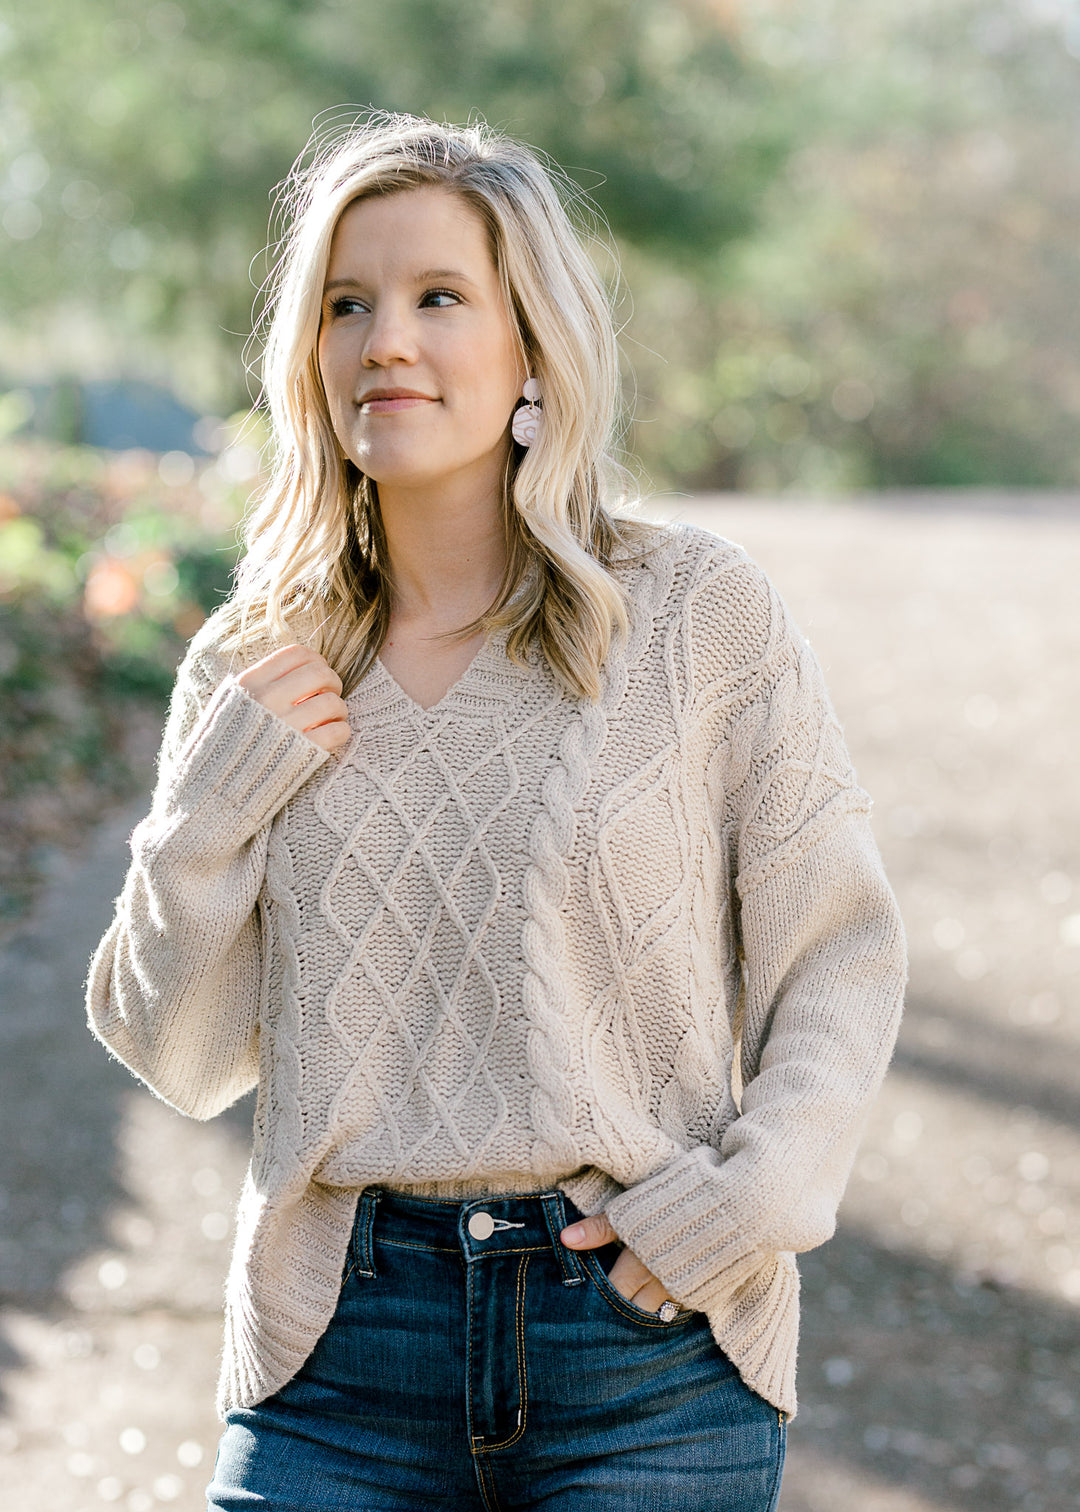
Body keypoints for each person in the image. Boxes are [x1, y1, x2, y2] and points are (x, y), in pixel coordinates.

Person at [86, 112, 906, 1512]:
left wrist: (754, 1200)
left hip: (644, 1352)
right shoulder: (258, 662)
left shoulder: (691, 614)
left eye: (439, 299)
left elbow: (837, 945)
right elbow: (180, 1049)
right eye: (348, 304)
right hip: (334, 1356)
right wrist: (206, 821)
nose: (385, 341)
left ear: (533, 349)